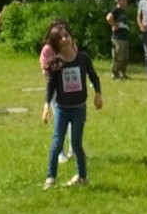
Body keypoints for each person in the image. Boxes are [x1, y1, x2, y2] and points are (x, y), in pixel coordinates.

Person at [41, 23, 102, 189]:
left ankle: (82, 177)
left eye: (67, 36)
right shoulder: (56, 62)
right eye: (60, 38)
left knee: (76, 144)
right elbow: (51, 86)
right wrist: (47, 106)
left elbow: (94, 76)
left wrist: (98, 94)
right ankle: (50, 178)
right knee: (57, 143)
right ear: (56, 43)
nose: (65, 39)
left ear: (71, 38)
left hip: (78, 109)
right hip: (61, 109)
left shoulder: (83, 58)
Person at [39, 19, 73, 166]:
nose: (63, 38)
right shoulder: (48, 49)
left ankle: (74, 150)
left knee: (74, 122)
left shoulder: (71, 46)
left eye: (65, 33)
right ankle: (60, 153)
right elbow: (44, 68)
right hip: (55, 91)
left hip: (71, 89)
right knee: (60, 122)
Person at [106, 0, 131, 80]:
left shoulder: (124, 11)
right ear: (119, 1)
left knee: (125, 56)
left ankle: (122, 73)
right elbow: (109, 17)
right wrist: (114, 25)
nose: (126, 1)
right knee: (118, 56)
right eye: (124, 0)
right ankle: (115, 73)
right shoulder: (116, 10)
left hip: (124, 36)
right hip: (118, 37)